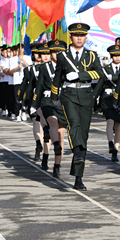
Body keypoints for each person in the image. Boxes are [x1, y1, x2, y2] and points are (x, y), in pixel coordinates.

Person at [50, 23, 103, 191]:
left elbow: (100, 74)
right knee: (74, 124)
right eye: (76, 35)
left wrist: (81, 75)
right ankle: (77, 152)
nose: (79, 38)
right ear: (70, 37)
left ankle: (78, 178)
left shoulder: (92, 56)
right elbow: (57, 77)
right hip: (69, 94)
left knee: (83, 134)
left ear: (86, 38)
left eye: (82, 35)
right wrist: (54, 97)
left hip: (86, 94)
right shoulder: (63, 56)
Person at [36, 40, 68, 174]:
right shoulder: (44, 67)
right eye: (54, 51)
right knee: (52, 123)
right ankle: (47, 154)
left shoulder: (68, 66)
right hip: (48, 100)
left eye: (59, 51)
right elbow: (39, 86)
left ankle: (57, 166)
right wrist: (34, 105)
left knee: (61, 133)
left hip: (63, 101)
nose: (56, 54)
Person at [95, 44, 120, 162]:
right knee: (110, 121)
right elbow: (100, 84)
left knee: (118, 125)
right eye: (114, 55)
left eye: (119, 55)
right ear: (111, 56)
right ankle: (110, 143)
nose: (117, 57)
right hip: (107, 98)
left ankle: (115, 150)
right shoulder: (105, 69)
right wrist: (94, 98)